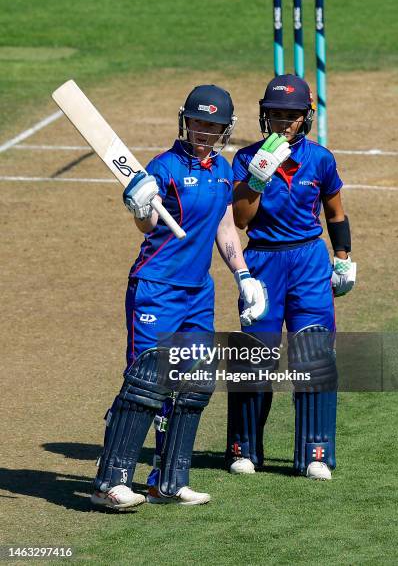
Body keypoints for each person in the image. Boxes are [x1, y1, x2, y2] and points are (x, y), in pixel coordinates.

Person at [90, 84, 266, 509]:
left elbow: (226, 227)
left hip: (197, 292)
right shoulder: (163, 167)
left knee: (192, 384)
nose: (205, 131)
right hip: (156, 288)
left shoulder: (224, 171)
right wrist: (140, 207)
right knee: (146, 382)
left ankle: (168, 482)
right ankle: (110, 483)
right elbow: (150, 225)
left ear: (226, 129)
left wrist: (244, 276)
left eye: (214, 125)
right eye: (199, 122)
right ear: (186, 122)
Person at [226, 74, 356, 480]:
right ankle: (243, 449)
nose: (284, 122)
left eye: (292, 116)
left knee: (314, 355)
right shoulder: (246, 159)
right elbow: (242, 221)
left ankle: (316, 452)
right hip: (263, 262)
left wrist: (343, 258)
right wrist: (257, 178)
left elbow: (335, 213)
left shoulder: (321, 159)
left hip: (309, 263)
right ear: (265, 115)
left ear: (306, 118)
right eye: (277, 114)